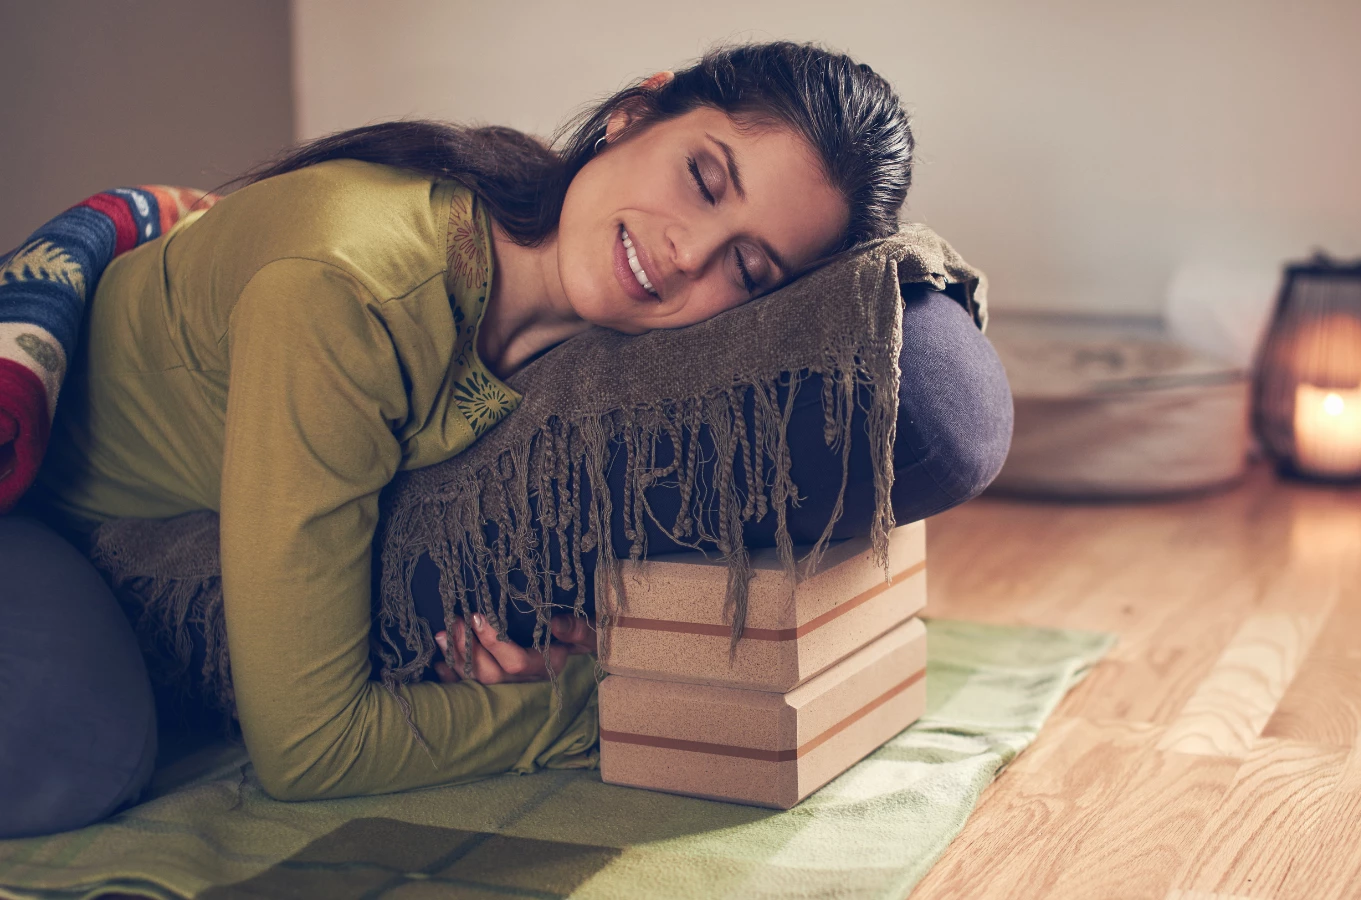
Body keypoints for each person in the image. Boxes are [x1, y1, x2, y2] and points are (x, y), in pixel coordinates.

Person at [0, 41, 1011, 839]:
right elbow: (309, 749)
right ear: (636, 112)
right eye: (704, 179)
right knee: (76, 754)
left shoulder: (566, 346)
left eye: (746, 271)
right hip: (40, 512)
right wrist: (594, 692)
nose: (684, 254)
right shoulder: (348, 294)